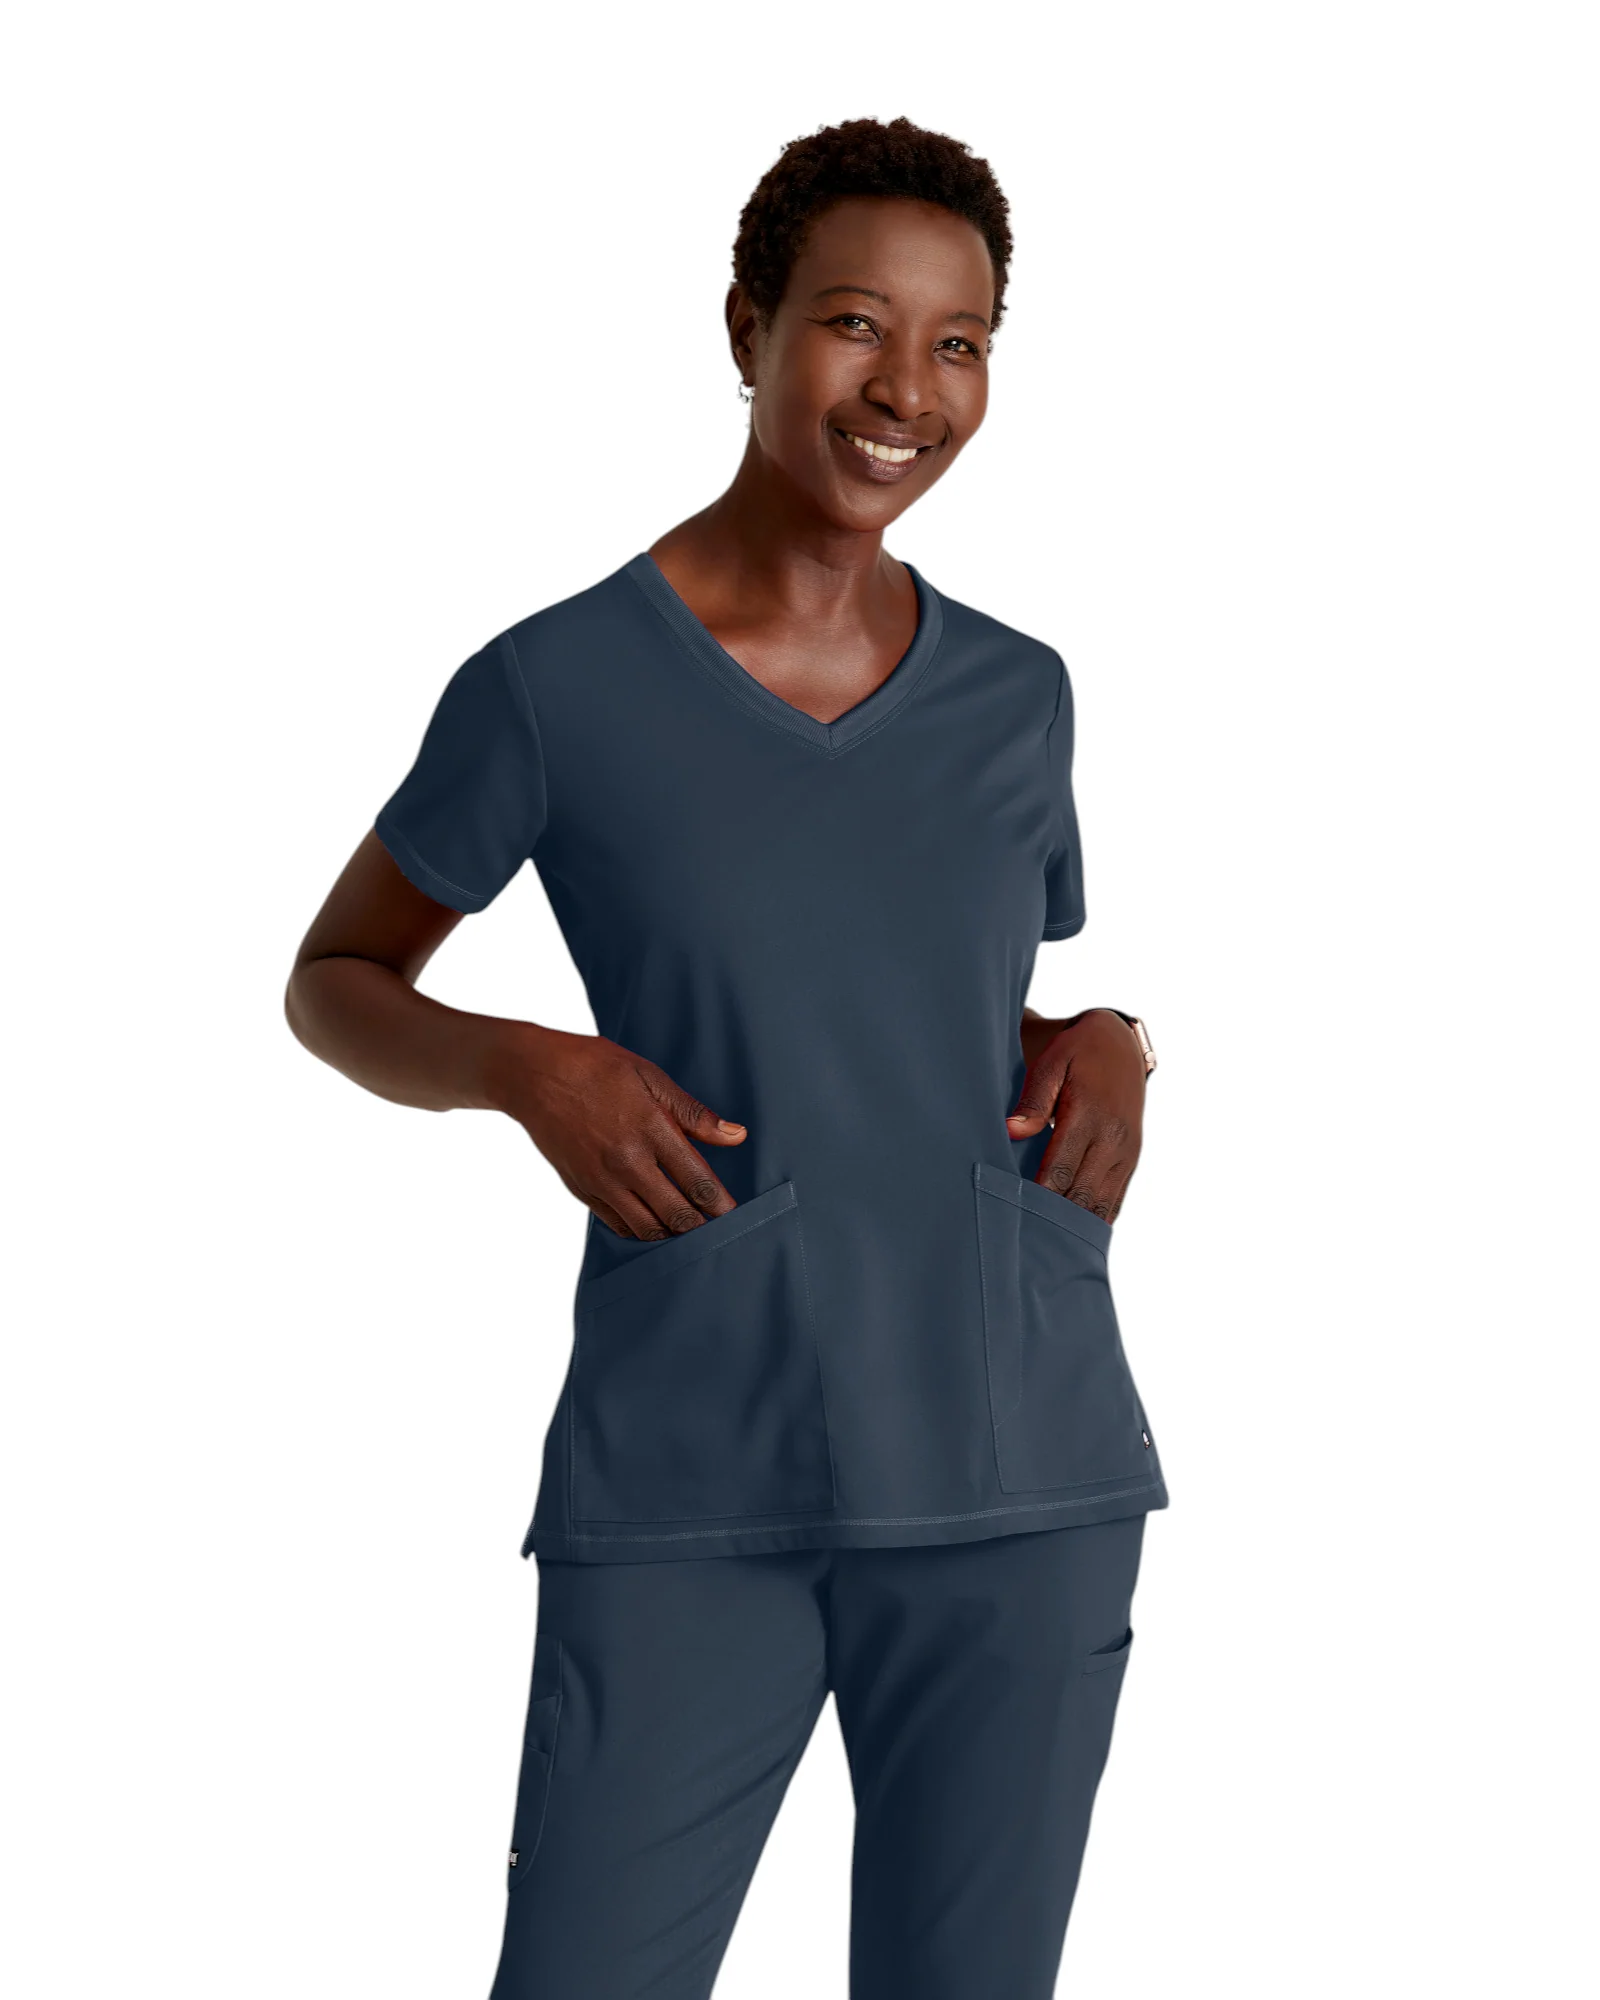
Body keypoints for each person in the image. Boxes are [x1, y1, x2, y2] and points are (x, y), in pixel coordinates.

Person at [286, 114, 1167, 2000]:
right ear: (748, 327)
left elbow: (933, 996)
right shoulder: (555, 687)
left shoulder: (1021, 695)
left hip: (1021, 1468)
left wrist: (1107, 1036)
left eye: (960, 342)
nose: (908, 389)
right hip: (696, 1474)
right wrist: (531, 1069)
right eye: (855, 324)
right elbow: (337, 980)